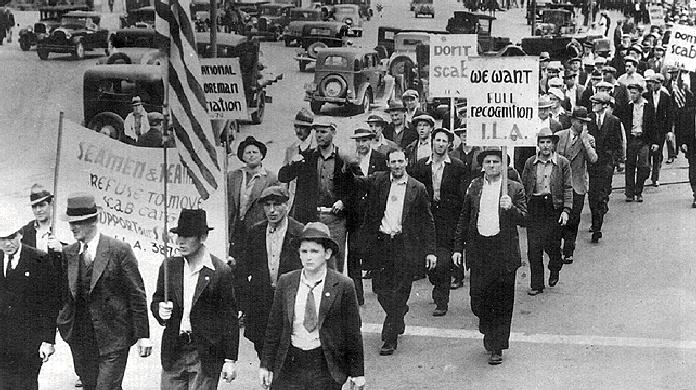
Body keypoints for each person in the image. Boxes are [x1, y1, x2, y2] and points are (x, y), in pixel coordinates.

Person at [56, 193, 151, 390]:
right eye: (70, 223)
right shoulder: (69, 253)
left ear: (93, 221)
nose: (72, 228)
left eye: (78, 223)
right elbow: (64, 295)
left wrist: (144, 335)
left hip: (113, 337)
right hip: (81, 338)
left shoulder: (119, 250)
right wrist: (64, 324)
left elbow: (137, 294)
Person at [348, 148, 436, 356]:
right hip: (381, 244)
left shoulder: (417, 188)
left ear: (406, 162)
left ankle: (389, 336)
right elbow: (356, 183)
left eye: (400, 161)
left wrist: (430, 251)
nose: (397, 165)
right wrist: (347, 164)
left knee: (400, 289)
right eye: (393, 162)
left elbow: (427, 221)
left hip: (405, 246)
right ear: (387, 164)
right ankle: (398, 313)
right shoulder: (378, 181)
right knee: (380, 289)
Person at [259, 222, 365, 390]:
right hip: (290, 362)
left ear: (327, 253)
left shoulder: (343, 285)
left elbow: (352, 332)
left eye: (315, 251)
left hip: (324, 364)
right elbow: (274, 326)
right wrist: (266, 365)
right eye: (304, 251)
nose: (308, 257)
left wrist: (357, 373)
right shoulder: (287, 282)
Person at [452, 148, 527, 365]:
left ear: (503, 166)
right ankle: (487, 326)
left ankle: (497, 345)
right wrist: (458, 248)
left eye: (496, 162)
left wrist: (511, 208)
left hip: (503, 251)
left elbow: (525, 218)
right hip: (480, 249)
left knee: (502, 301)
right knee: (478, 299)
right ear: (482, 165)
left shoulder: (513, 188)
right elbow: (464, 218)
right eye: (488, 162)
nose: (492, 165)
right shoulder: (475, 187)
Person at [151, 209, 239, 389]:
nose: (180, 241)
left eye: (188, 235)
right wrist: (159, 310)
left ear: (203, 237)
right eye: (178, 235)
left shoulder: (219, 272)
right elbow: (157, 299)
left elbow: (229, 319)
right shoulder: (169, 266)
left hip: (204, 353)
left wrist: (230, 359)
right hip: (174, 351)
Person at [237, 186, 304, 358]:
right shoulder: (255, 231)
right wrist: (243, 304)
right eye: (267, 205)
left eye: (277, 204)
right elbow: (245, 269)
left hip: (290, 301)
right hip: (262, 302)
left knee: (289, 352)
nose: (272, 210)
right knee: (263, 351)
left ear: (287, 205)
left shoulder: (299, 232)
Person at [278, 118, 352, 272]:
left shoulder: (343, 158)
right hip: (311, 217)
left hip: (335, 219)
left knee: (334, 262)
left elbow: (358, 187)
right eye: (317, 132)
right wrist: (293, 163)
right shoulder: (307, 156)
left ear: (333, 132)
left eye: (324, 132)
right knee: (310, 260)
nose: (319, 135)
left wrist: (343, 202)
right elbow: (283, 176)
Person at [0, 207, 60, 390]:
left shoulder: (38, 260)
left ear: (20, 234)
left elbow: (50, 303)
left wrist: (48, 340)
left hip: (29, 342)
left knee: (25, 384)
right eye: (2, 239)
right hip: (2, 341)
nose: (7, 243)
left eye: (11, 237)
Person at [409, 128, 466, 316]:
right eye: (437, 140)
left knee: (442, 260)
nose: (440, 144)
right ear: (432, 142)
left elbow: (461, 197)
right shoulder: (420, 166)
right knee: (428, 257)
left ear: (449, 145)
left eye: (444, 141)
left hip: (448, 220)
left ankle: (442, 300)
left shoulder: (457, 166)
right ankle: (437, 283)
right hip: (426, 218)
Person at [521, 128, 573, 295]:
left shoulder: (562, 163)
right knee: (534, 248)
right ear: (537, 144)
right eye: (542, 142)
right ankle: (537, 284)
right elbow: (523, 186)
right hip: (534, 206)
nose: (545, 146)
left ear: (553, 144)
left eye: (548, 142)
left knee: (552, 245)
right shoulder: (530, 163)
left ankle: (555, 267)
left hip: (553, 207)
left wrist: (566, 210)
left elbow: (567, 187)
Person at [346, 128, 388, 305]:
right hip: (355, 213)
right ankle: (357, 294)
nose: (361, 144)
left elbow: (386, 183)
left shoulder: (379, 159)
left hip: (374, 212)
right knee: (353, 254)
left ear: (371, 140)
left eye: (365, 140)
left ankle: (379, 287)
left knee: (376, 252)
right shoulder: (349, 160)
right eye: (358, 141)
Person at [556, 107, 598, 264]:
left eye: (585, 123)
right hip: (559, 184)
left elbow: (593, 159)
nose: (583, 126)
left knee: (573, 219)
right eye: (581, 122)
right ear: (573, 121)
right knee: (558, 217)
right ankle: (557, 245)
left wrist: (585, 141)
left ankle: (568, 250)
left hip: (577, 185)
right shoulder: (559, 136)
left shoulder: (588, 139)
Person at [227, 136, 279, 257]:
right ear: (243, 156)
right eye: (247, 153)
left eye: (254, 152)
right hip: (236, 228)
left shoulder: (270, 178)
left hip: (258, 227)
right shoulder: (233, 176)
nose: (251, 155)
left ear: (261, 156)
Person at [587, 92, 623, 243]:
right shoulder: (588, 120)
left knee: (602, 195)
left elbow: (618, 143)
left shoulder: (614, 121)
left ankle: (597, 228)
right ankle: (595, 220)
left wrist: (617, 160)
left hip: (607, 163)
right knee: (592, 195)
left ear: (605, 105)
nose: (594, 105)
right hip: (592, 163)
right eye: (593, 102)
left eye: (597, 102)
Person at [619, 82, 658, 202]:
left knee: (644, 166)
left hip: (644, 140)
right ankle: (629, 193)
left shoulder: (648, 106)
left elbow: (653, 125)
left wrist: (655, 142)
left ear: (640, 93)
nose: (632, 95)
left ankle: (639, 190)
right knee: (630, 165)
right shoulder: (628, 106)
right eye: (630, 93)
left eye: (634, 93)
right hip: (631, 139)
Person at [284, 108, 317, 212]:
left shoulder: (317, 148)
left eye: (302, 127)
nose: (298, 131)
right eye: (296, 127)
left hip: (312, 198)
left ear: (310, 129)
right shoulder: (291, 149)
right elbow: (285, 176)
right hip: (295, 198)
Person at [644, 73, 673, 187]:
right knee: (647, 152)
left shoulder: (666, 97)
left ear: (661, 83)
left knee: (658, 153)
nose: (654, 85)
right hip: (648, 128)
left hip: (661, 129)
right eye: (653, 82)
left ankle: (655, 177)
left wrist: (669, 131)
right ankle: (646, 173)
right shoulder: (646, 95)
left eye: (657, 83)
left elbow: (670, 114)